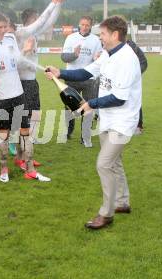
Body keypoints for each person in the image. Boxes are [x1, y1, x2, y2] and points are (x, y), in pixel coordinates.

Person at [46, 16, 142, 229]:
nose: (100, 38)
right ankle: (122, 202)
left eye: (103, 34)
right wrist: (60, 72)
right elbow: (86, 71)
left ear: (115, 35)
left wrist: (91, 104)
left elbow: (120, 97)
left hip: (123, 121)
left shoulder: (127, 59)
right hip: (109, 118)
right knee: (114, 163)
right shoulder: (108, 53)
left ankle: (106, 214)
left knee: (104, 163)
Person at [0, 13, 50, 183]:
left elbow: (15, 63)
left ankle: (30, 168)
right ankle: (4, 169)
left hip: (18, 94)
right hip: (0, 98)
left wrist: (24, 50)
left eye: (5, 27)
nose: (4, 30)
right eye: (0, 27)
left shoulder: (10, 39)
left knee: (25, 133)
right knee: (3, 135)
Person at [11, 0, 67, 173]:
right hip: (22, 84)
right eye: (35, 20)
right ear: (27, 21)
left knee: (34, 119)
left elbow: (49, 22)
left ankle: (25, 155)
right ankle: (21, 157)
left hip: (32, 83)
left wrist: (58, 4)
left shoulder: (33, 35)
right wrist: (53, 2)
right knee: (24, 123)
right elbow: (43, 20)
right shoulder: (20, 34)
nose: (39, 23)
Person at [61, 15, 103, 147]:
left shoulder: (96, 40)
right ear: (79, 24)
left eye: (87, 25)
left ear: (91, 26)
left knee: (89, 107)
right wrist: (74, 54)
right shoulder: (71, 38)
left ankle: (85, 137)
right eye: (82, 24)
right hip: (72, 78)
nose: (84, 27)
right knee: (70, 107)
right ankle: (68, 131)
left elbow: (99, 58)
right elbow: (64, 58)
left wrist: (97, 58)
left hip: (89, 78)